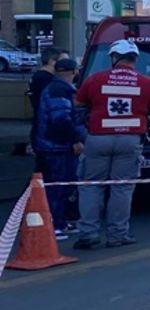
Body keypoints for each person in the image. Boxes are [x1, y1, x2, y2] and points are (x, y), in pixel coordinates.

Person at [74, 40, 150, 249]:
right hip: (130, 140)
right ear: (134, 59)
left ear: (114, 57)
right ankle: (117, 235)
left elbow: (78, 104)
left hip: (97, 139)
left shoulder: (95, 79)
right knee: (122, 188)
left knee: (91, 186)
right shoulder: (148, 83)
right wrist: (144, 111)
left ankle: (88, 234)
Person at [33, 58, 85, 240]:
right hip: (57, 149)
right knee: (57, 188)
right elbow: (61, 120)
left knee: (62, 187)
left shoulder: (55, 88)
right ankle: (55, 225)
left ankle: (60, 223)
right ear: (74, 72)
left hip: (55, 147)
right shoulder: (59, 90)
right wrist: (76, 140)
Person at [28, 48, 70, 162]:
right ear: (52, 61)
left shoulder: (39, 77)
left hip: (42, 130)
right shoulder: (46, 80)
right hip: (48, 133)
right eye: (63, 62)